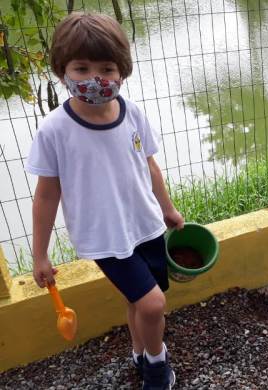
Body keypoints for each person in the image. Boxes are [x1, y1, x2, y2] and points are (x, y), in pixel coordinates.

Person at [26, 12, 183, 390]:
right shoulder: (55, 131)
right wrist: (40, 254)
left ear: (122, 72)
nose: (96, 79)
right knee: (153, 305)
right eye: (81, 68)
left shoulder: (132, 114)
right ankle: (159, 366)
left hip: (145, 226)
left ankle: (139, 353)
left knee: (139, 301)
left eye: (107, 68)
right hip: (106, 239)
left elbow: (149, 166)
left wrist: (167, 209)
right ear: (62, 71)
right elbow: (46, 196)